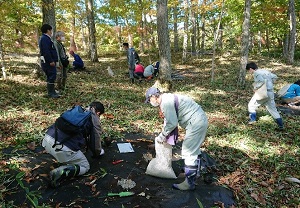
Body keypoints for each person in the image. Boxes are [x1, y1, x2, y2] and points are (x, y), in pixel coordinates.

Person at [145, 87, 208, 191]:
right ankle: (194, 172)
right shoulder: (166, 98)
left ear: (153, 97)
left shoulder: (166, 102)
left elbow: (172, 123)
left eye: (149, 100)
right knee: (194, 150)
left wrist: (162, 136)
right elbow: (168, 120)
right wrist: (164, 134)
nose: (150, 103)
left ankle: (189, 183)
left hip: (196, 123)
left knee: (188, 152)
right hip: (199, 120)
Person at [42, 101, 105, 188]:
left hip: (47, 140)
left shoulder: (76, 110)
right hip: (61, 148)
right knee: (85, 166)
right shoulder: (94, 118)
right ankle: (60, 172)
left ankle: (64, 157)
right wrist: (98, 152)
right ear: (98, 113)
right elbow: (95, 142)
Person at [246, 62, 284, 130]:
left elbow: (261, 81)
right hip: (271, 92)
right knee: (273, 109)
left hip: (263, 92)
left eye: (248, 70)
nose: (249, 72)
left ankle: (252, 120)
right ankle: (281, 125)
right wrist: (270, 83)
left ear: (251, 69)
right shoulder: (265, 71)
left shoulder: (256, 73)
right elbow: (275, 76)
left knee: (251, 105)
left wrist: (255, 88)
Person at [39, 24, 60, 98]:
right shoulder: (44, 38)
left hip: (49, 61)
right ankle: (51, 93)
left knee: (51, 76)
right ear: (48, 30)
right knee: (51, 76)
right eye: (51, 30)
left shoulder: (47, 38)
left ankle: (52, 91)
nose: (52, 32)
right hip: (48, 62)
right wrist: (50, 60)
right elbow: (46, 51)